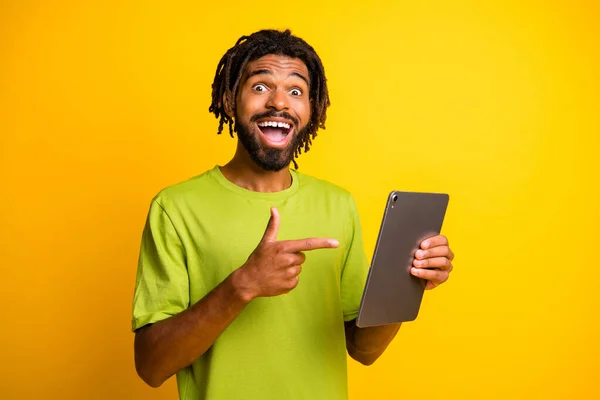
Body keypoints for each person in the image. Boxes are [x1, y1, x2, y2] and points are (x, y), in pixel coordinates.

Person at [131, 29, 455, 400]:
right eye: (259, 87)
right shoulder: (175, 208)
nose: (279, 103)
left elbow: (363, 350)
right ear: (228, 99)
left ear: (312, 110)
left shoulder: (338, 204)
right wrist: (243, 285)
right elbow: (151, 365)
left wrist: (407, 281)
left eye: (296, 91)